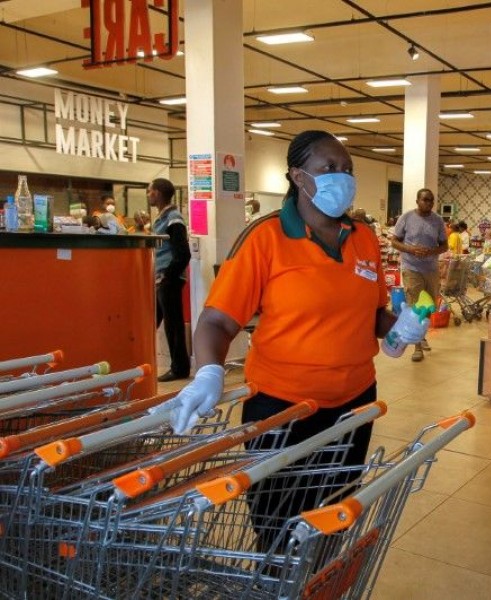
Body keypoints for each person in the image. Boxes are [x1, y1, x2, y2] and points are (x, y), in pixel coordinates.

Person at [160, 130, 427, 552]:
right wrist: (209, 371)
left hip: (353, 405)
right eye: (329, 168)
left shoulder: (363, 238)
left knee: (332, 517)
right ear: (298, 177)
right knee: (280, 528)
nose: (343, 177)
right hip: (281, 409)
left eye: (347, 169)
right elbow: (216, 321)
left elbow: (372, 313)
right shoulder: (265, 238)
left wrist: (401, 325)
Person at [391, 188, 448, 362]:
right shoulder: (406, 218)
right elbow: (394, 241)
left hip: (430, 269)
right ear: (417, 201)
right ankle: (417, 347)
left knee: (429, 307)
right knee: (415, 307)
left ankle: (421, 334)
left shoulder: (438, 221)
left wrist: (432, 251)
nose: (428, 203)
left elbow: (444, 246)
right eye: (425, 200)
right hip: (411, 268)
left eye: (431, 200)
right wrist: (411, 249)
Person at [148, 178, 192, 382]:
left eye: (150, 191)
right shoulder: (162, 218)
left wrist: (169, 274)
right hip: (162, 279)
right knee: (154, 322)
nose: (148, 195)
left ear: (157, 193)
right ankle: (146, 361)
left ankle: (180, 368)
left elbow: (183, 252)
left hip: (169, 279)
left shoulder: (173, 219)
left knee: (172, 325)